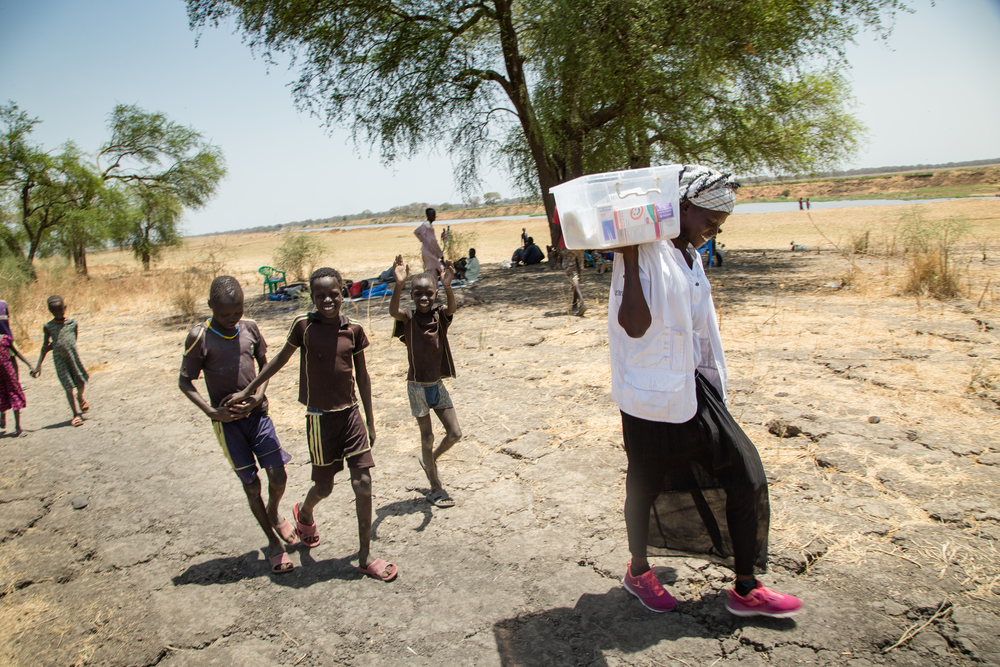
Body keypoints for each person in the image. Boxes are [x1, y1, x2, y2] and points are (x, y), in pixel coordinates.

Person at [610, 165, 801, 618]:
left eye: (719, 227)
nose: (712, 233)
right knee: (646, 483)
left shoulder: (690, 257)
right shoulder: (641, 251)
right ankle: (639, 571)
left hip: (693, 385)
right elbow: (633, 326)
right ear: (683, 206)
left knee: (744, 473)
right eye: (709, 222)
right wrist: (630, 255)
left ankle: (746, 586)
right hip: (649, 391)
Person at [226, 267, 397, 582]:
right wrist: (250, 389)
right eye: (320, 295)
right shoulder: (303, 326)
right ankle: (305, 512)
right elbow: (279, 359)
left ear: (343, 292)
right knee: (324, 487)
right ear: (313, 297)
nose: (327, 300)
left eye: (333, 293)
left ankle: (364, 556)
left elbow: (363, 376)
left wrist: (370, 419)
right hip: (319, 419)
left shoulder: (355, 330)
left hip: (351, 415)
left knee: (363, 483)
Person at [178, 276, 296, 574]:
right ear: (210, 308)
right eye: (224, 315)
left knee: (278, 475)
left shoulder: (250, 328)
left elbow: (266, 364)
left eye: (237, 312)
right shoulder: (199, 337)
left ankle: (273, 512)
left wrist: (258, 395)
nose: (232, 319)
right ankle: (272, 541)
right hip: (228, 425)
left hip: (258, 416)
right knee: (252, 485)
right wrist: (210, 411)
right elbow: (185, 381)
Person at [389, 255, 462, 508]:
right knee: (427, 436)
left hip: (436, 386)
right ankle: (435, 486)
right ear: (411, 295)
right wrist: (398, 283)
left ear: (435, 293)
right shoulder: (408, 319)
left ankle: (430, 459)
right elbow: (393, 311)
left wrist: (448, 286)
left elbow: (452, 309)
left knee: (455, 433)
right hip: (417, 387)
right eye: (417, 293)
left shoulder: (440, 316)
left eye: (429, 293)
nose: (423, 298)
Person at [31, 296, 89, 427]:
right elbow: (45, 346)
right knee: (68, 387)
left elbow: (73, 339)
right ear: (50, 311)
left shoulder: (72, 324)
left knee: (80, 383)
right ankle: (75, 414)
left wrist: (62, 345)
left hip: (73, 358)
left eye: (60, 309)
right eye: (54, 310)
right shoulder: (48, 327)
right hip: (59, 360)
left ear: (65, 308)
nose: (58, 312)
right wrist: (38, 365)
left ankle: (80, 397)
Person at [554, 208, 587, 316]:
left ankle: (581, 302)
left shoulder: (558, 206)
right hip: (580, 244)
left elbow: (557, 229)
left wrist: (554, 247)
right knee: (578, 273)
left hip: (567, 245)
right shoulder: (576, 203)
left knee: (573, 275)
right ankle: (574, 304)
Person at [0, 331, 30, 437]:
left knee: (15, 396)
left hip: (9, 374)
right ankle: (2, 417)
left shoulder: (5, 339)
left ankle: (18, 427)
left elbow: (16, 353)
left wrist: (29, 364)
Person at [414, 208, 445, 283]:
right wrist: (440, 254)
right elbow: (432, 242)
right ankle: (433, 289)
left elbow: (416, 232)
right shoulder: (427, 226)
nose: (434, 217)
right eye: (432, 215)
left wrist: (423, 239)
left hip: (428, 249)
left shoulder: (425, 225)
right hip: (429, 251)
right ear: (427, 215)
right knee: (433, 270)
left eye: (434, 215)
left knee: (433, 269)